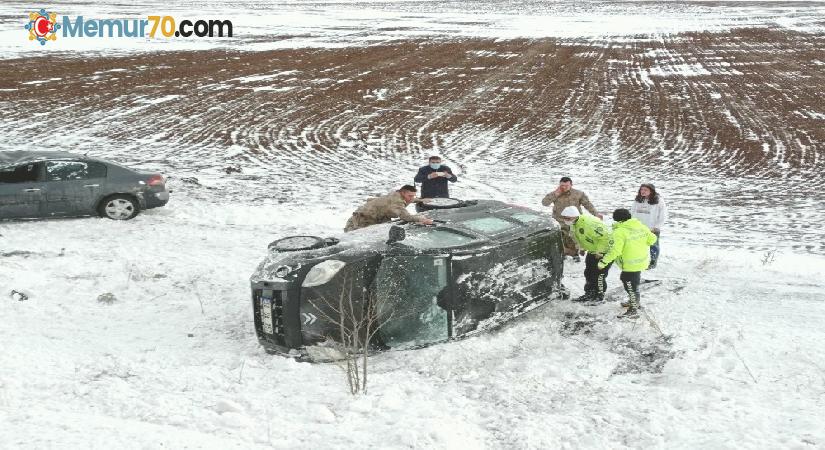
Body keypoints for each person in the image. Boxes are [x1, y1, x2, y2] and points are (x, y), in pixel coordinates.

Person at [598, 209, 658, 318]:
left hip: (630, 264)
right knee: (632, 283)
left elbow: (615, 251)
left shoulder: (619, 232)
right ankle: (634, 302)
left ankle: (633, 310)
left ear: (616, 219)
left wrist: (603, 262)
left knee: (630, 285)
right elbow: (652, 240)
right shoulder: (641, 226)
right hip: (641, 261)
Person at [560, 206, 613, 302]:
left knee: (599, 275)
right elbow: (578, 237)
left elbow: (605, 237)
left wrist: (600, 251)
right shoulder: (575, 223)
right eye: (564, 218)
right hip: (593, 250)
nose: (565, 220)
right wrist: (581, 248)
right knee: (589, 273)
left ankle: (599, 295)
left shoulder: (590, 223)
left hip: (605, 251)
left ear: (574, 216)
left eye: (567, 218)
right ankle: (589, 293)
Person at [541, 177, 603, 259]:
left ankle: (575, 255)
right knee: (561, 239)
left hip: (574, 220)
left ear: (571, 185)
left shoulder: (578, 194)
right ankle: (562, 255)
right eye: (562, 185)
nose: (564, 187)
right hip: (559, 220)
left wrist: (596, 214)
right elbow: (544, 203)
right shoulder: (555, 193)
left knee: (573, 238)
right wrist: (555, 194)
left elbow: (587, 204)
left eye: (566, 185)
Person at [344, 185, 434, 232]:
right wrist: (421, 219)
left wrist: (420, 200)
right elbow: (406, 217)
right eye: (410, 196)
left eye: (413, 196)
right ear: (402, 193)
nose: (411, 198)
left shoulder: (397, 194)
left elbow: (409, 200)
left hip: (372, 218)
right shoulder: (396, 201)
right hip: (361, 221)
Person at [630, 183, 667, 269]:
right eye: (641, 190)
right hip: (638, 227)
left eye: (645, 190)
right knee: (637, 245)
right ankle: (638, 261)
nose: (643, 191)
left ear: (651, 191)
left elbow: (663, 215)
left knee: (653, 245)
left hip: (652, 228)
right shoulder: (638, 199)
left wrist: (657, 226)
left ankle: (653, 263)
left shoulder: (659, 200)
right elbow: (632, 212)